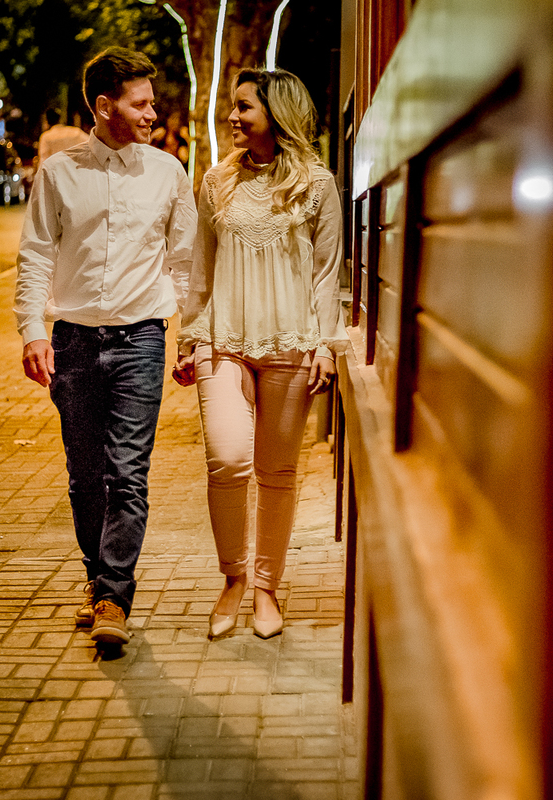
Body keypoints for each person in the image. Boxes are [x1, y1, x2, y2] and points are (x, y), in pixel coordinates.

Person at [15, 47, 197, 645]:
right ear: (104, 105)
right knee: (84, 475)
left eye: (151, 102)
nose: (152, 113)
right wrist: (33, 331)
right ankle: (96, 581)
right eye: (140, 103)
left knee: (128, 473)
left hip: (141, 339)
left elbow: (184, 259)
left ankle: (115, 598)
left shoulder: (169, 172)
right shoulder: (59, 174)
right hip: (71, 342)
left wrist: (175, 322)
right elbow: (36, 255)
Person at [173, 68, 345, 639]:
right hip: (223, 341)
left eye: (243, 107)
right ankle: (233, 579)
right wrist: (189, 334)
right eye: (233, 107)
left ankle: (267, 588)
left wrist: (326, 343)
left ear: (276, 112)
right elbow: (200, 268)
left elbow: (327, 274)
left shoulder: (317, 185)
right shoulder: (217, 182)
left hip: (294, 343)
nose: (233, 116)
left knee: (277, 472)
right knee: (226, 459)